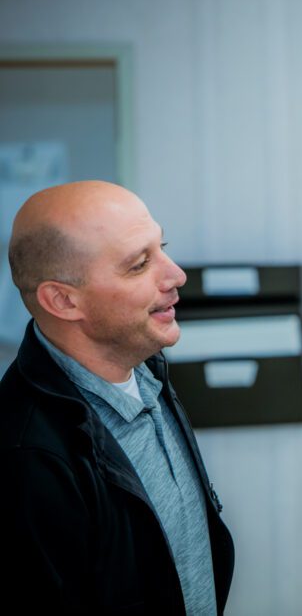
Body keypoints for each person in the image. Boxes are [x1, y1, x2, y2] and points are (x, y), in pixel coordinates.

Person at [0, 181, 234, 614]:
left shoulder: (145, 367)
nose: (176, 275)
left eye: (161, 247)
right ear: (64, 300)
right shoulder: (26, 455)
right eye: (139, 264)